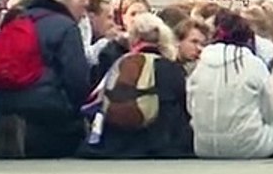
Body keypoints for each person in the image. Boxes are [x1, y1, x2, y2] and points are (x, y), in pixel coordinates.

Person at [0, 0, 94, 158]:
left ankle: (15, 132)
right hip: (47, 105)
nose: (84, 15)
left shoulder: (20, 19)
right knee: (71, 135)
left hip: (7, 97)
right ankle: (28, 139)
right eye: (83, 7)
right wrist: (80, 107)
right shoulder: (67, 27)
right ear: (70, 4)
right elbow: (76, 76)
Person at [187, 10, 273, 159]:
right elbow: (271, 114)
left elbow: (191, 108)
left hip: (204, 147)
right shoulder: (253, 64)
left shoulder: (200, 65)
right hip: (249, 147)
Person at [80, 14, 194, 159]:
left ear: (133, 37)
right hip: (163, 142)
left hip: (119, 142)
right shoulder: (171, 68)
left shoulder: (118, 64)